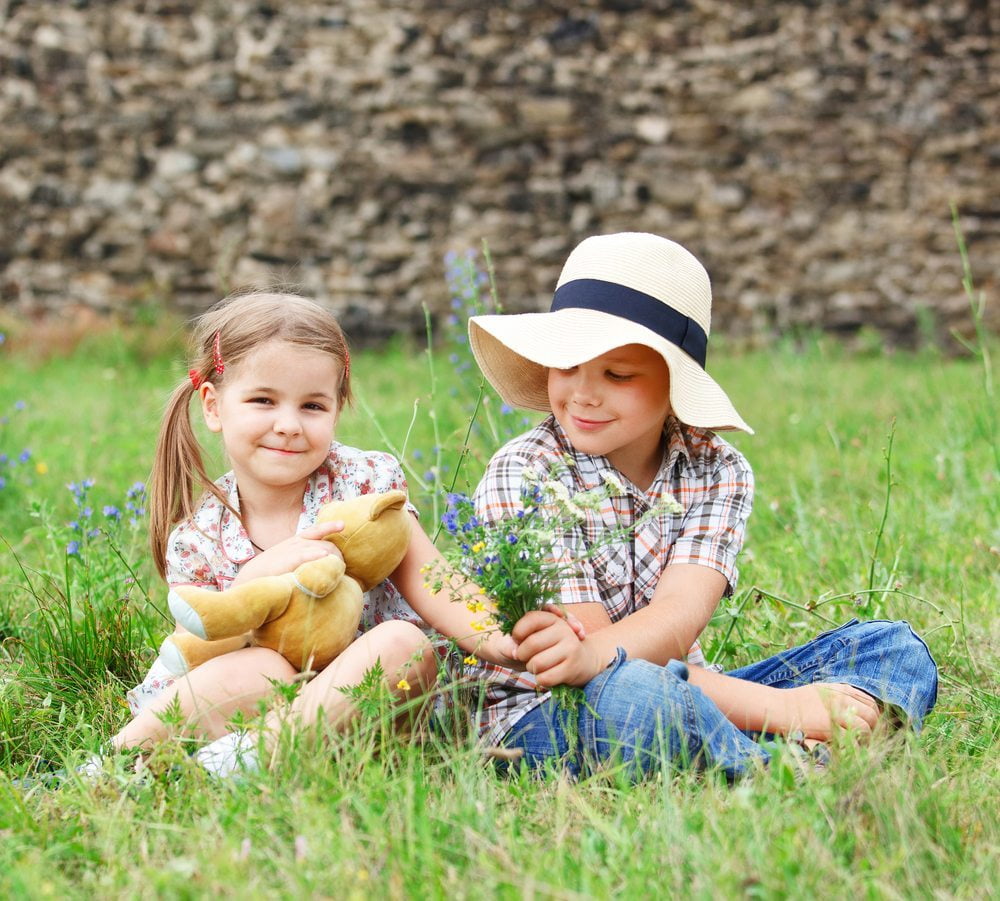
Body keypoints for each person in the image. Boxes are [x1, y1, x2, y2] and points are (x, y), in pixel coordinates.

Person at [464, 232, 938, 780]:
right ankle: (791, 764)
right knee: (637, 700)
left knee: (892, 646)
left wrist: (768, 699)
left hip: (687, 687)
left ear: (675, 382)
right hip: (551, 713)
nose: (583, 394)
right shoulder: (525, 470)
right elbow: (586, 659)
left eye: (617, 374)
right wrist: (784, 707)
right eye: (565, 366)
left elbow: (678, 617)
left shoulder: (717, 470)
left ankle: (778, 734)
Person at [101, 291, 513, 777]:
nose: (289, 425)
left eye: (313, 405)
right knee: (261, 671)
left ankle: (248, 760)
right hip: (262, 697)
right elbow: (193, 651)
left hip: (378, 703)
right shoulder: (199, 537)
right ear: (213, 406)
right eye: (263, 400)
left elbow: (431, 577)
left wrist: (501, 639)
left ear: (338, 408)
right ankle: (116, 762)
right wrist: (251, 582)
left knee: (401, 644)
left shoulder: (363, 483)